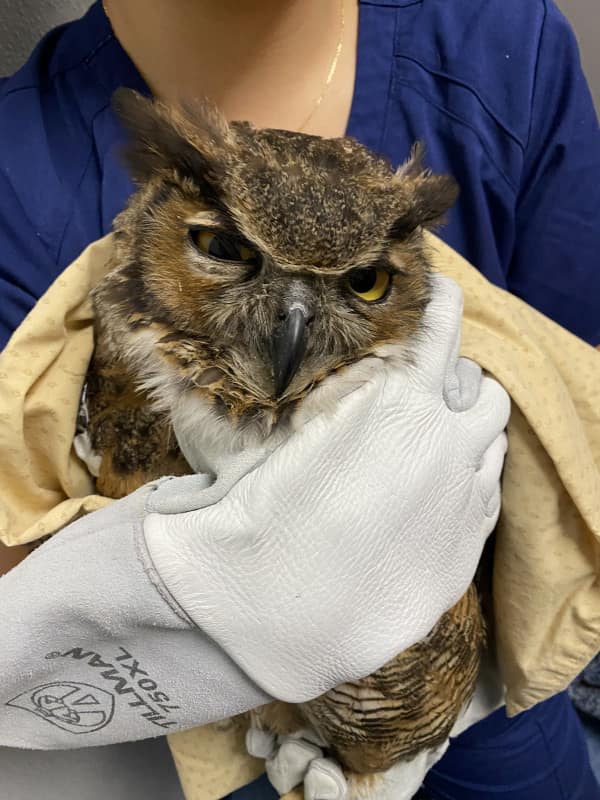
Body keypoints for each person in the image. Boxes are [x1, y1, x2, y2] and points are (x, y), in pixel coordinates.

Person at [0, 1, 598, 799]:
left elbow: (569, 393)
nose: (290, 323)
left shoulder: (499, 43)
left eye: (363, 281)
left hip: (491, 720)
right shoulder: (20, 172)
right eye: (219, 249)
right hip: (216, 729)